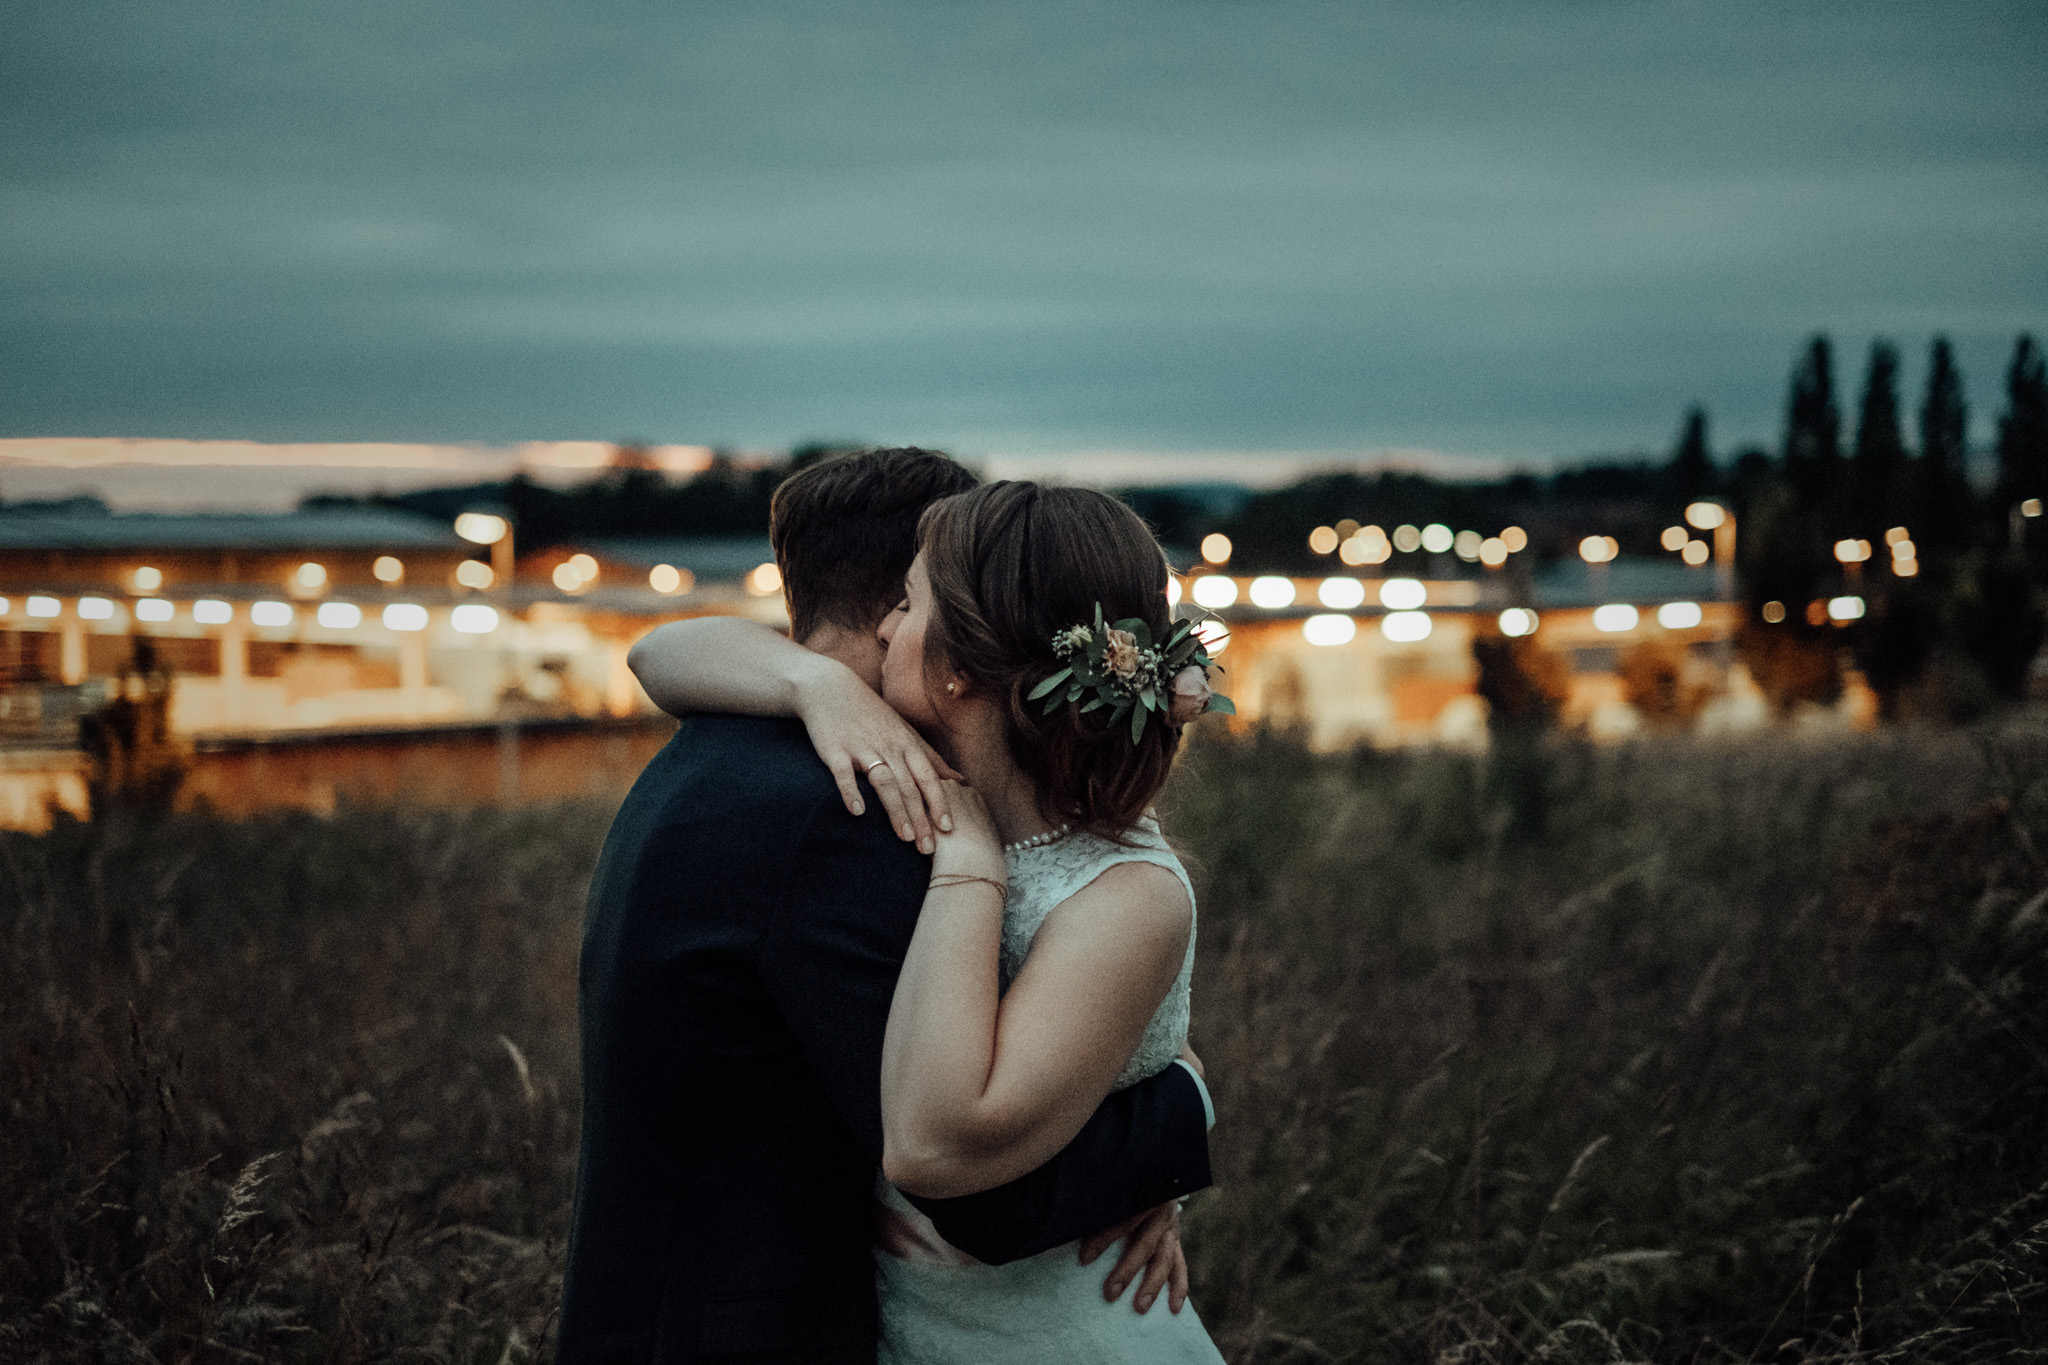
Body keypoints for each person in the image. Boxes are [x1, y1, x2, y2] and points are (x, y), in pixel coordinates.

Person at [557, 450, 1216, 1364]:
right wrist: (1178, 1124)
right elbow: (977, 1184)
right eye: (900, 600)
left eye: (920, 600)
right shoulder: (853, 805)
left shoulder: (742, 760)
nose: (899, 619)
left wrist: (1171, 1104)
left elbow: (985, 1129)